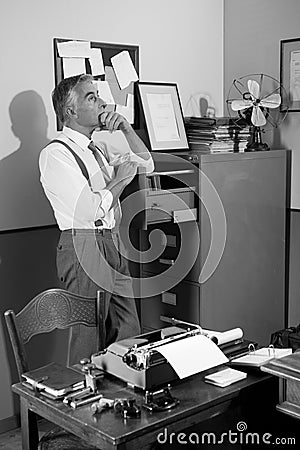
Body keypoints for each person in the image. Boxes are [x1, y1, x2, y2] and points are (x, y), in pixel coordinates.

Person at [39, 74, 154, 365]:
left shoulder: (99, 148)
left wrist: (127, 130)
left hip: (112, 242)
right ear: (71, 111)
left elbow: (147, 163)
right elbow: (89, 210)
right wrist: (120, 182)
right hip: (83, 246)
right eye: (92, 97)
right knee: (88, 338)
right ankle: (82, 406)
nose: (102, 103)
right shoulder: (55, 155)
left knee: (129, 332)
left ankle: (118, 402)